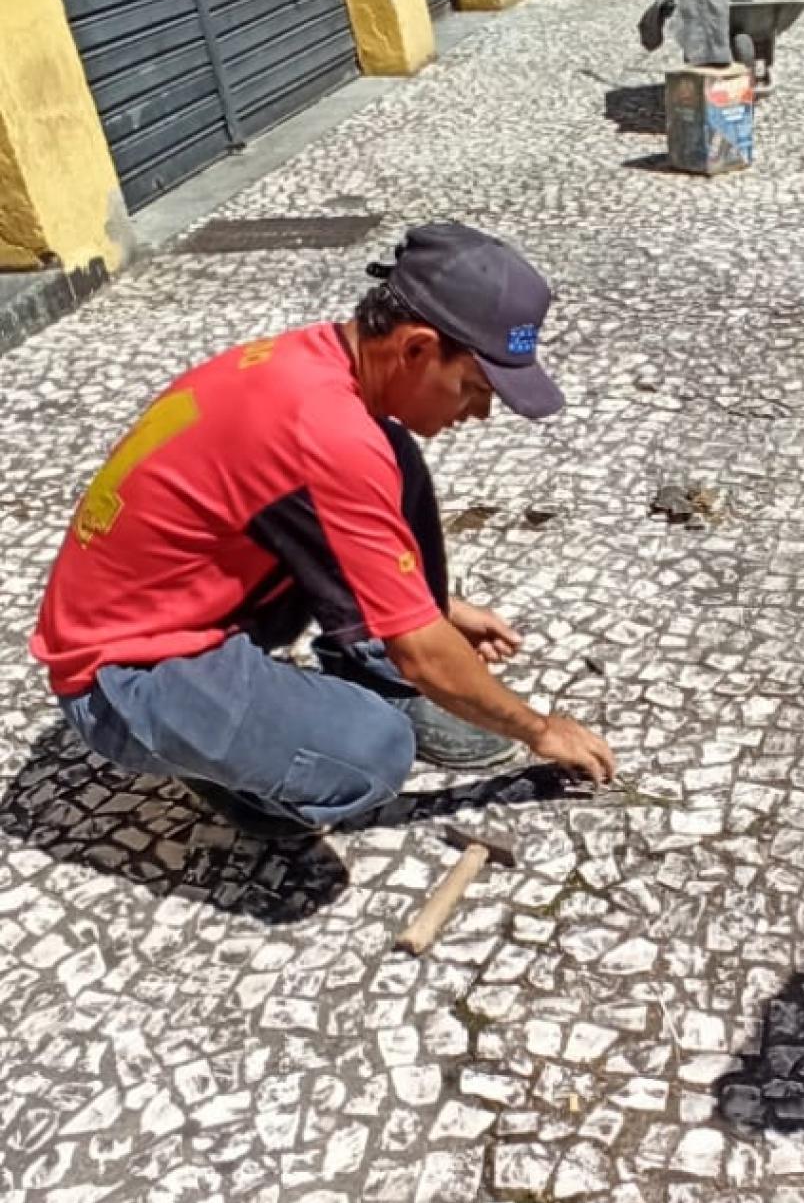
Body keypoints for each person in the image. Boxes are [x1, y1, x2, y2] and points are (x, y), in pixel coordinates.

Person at [32, 221, 616, 841]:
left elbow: (328, 522)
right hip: (124, 679)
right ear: (417, 349)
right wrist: (538, 729)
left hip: (182, 604)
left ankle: (371, 670)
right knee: (372, 753)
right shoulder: (324, 432)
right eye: (474, 387)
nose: (479, 411)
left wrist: (432, 606)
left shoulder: (311, 363)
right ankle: (235, 773)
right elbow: (422, 648)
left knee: (391, 453)